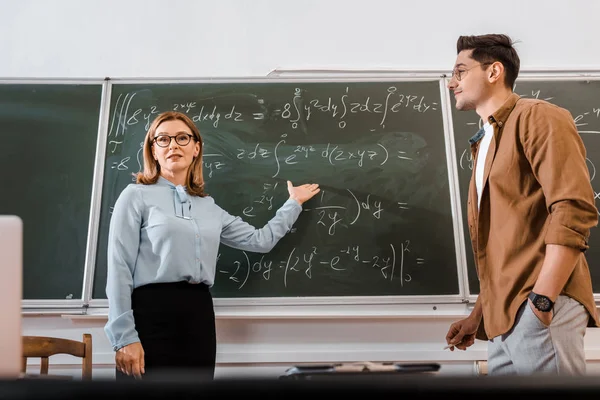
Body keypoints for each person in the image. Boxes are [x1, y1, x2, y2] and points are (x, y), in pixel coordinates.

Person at [104, 110, 320, 381]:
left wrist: (293, 204)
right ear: (153, 151)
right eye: (163, 139)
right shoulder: (135, 196)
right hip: (150, 313)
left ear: (196, 148)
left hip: (198, 315)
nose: (173, 145)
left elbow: (260, 241)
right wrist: (123, 338)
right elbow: (119, 267)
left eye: (182, 138)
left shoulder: (208, 206)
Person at [444, 34, 599, 375]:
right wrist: (478, 317)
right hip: (503, 320)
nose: (451, 83)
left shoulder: (538, 118)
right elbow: (501, 248)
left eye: (459, 71)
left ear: (493, 71)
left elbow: (573, 209)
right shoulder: (485, 141)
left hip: (539, 307)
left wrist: (542, 301)